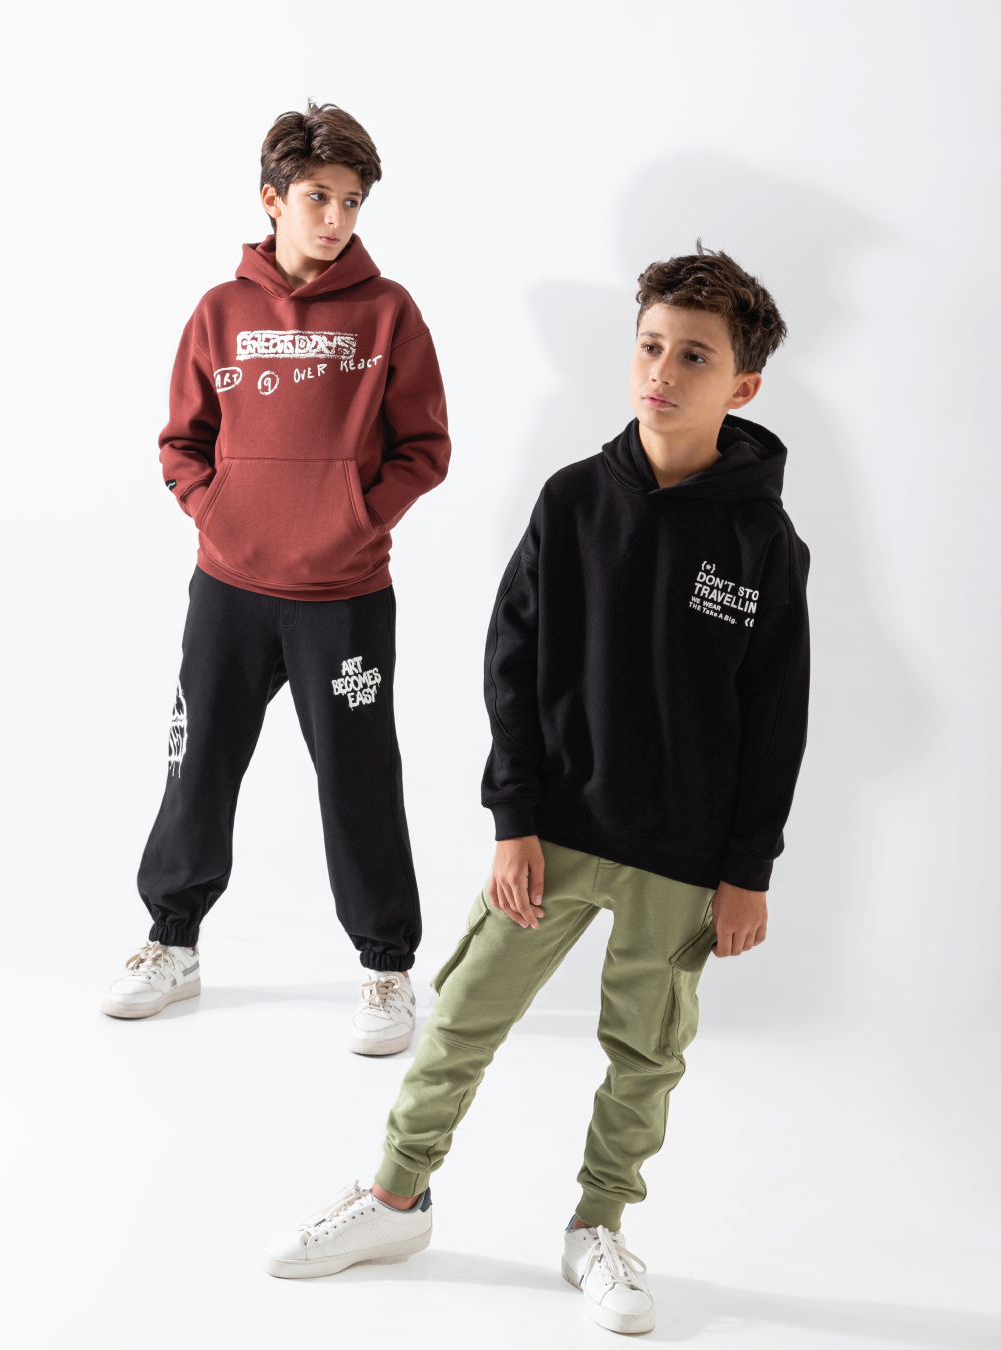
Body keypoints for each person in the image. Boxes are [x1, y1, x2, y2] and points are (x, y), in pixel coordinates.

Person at [261, 246, 810, 1334]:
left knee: (645, 1054)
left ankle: (597, 1227)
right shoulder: (573, 501)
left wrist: (748, 871)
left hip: (683, 857)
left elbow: (777, 716)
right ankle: (396, 1201)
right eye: (650, 346)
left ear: (742, 386)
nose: (661, 371)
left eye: (694, 357)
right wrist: (513, 820)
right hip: (552, 833)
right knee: (463, 1017)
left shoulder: (765, 543)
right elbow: (509, 665)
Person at [100, 102, 450, 1057]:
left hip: (345, 597)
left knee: (359, 777)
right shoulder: (221, 311)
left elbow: (424, 447)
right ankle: (173, 943)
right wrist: (218, 513)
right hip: (230, 589)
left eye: (352, 200)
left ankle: (386, 967)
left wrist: (354, 520)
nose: (336, 217)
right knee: (199, 764)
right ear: (273, 198)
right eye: (318, 197)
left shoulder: (389, 312)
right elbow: (182, 441)